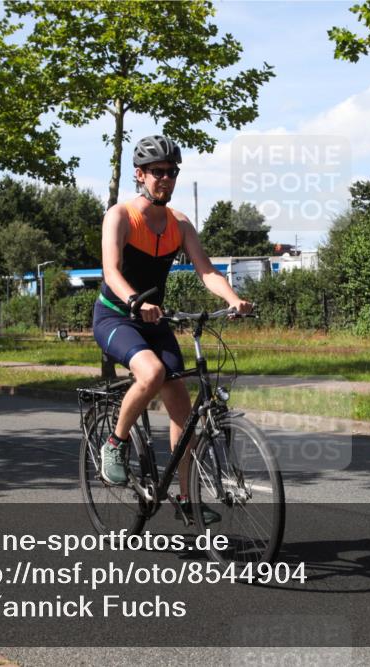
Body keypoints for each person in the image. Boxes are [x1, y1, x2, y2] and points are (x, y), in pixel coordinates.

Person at [92, 134, 253, 525]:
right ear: (140, 174)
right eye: (157, 172)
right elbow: (111, 271)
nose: (165, 178)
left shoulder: (180, 223)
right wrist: (135, 301)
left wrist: (233, 298)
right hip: (116, 316)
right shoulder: (120, 216)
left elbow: (207, 270)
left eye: (171, 172)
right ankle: (115, 443)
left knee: (184, 409)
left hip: (154, 320)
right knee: (152, 372)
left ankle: (186, 498)